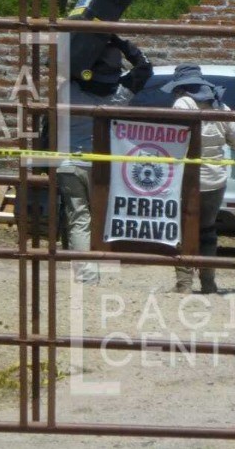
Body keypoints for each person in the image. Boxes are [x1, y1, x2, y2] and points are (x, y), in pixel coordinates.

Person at [57, 35, 152, 284]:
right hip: (102, 165)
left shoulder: (67, 89)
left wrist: (82, 52)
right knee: (100, 217)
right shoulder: (121, 94)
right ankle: (97, 268)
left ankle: (86, 276)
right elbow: (144, 67)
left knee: (78, 218)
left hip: (68, 163)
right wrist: (121, 43)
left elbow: (59, 66)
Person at [161, 64, 235, 294]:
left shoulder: (182, 104)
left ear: (180, 86)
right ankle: (208, 282)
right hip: (215, 180)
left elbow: (173, 139)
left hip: (186, 180)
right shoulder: (221, 105)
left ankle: (184, 284)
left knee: (183, 230)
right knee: (207, 230)